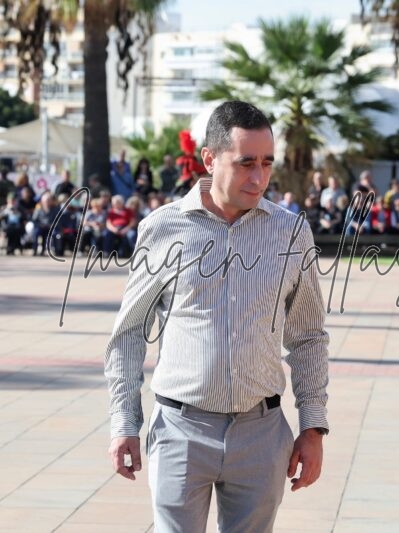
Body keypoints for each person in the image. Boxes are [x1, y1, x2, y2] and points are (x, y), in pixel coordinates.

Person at [105, 100, 329, 533]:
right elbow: (129, 333)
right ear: (209, 159)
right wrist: (124, 422)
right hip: (180, 431)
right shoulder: (162, 229)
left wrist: (313, 427)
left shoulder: (291, 232)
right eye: (246, 163)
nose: (259, 177)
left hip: (262, 436)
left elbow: (308, 337)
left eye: (266, 163)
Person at [0, 167, 16, 249]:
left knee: (9, 223)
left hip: (7, 204)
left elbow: (12, 193)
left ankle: (9, 242)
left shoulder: (9, 183)